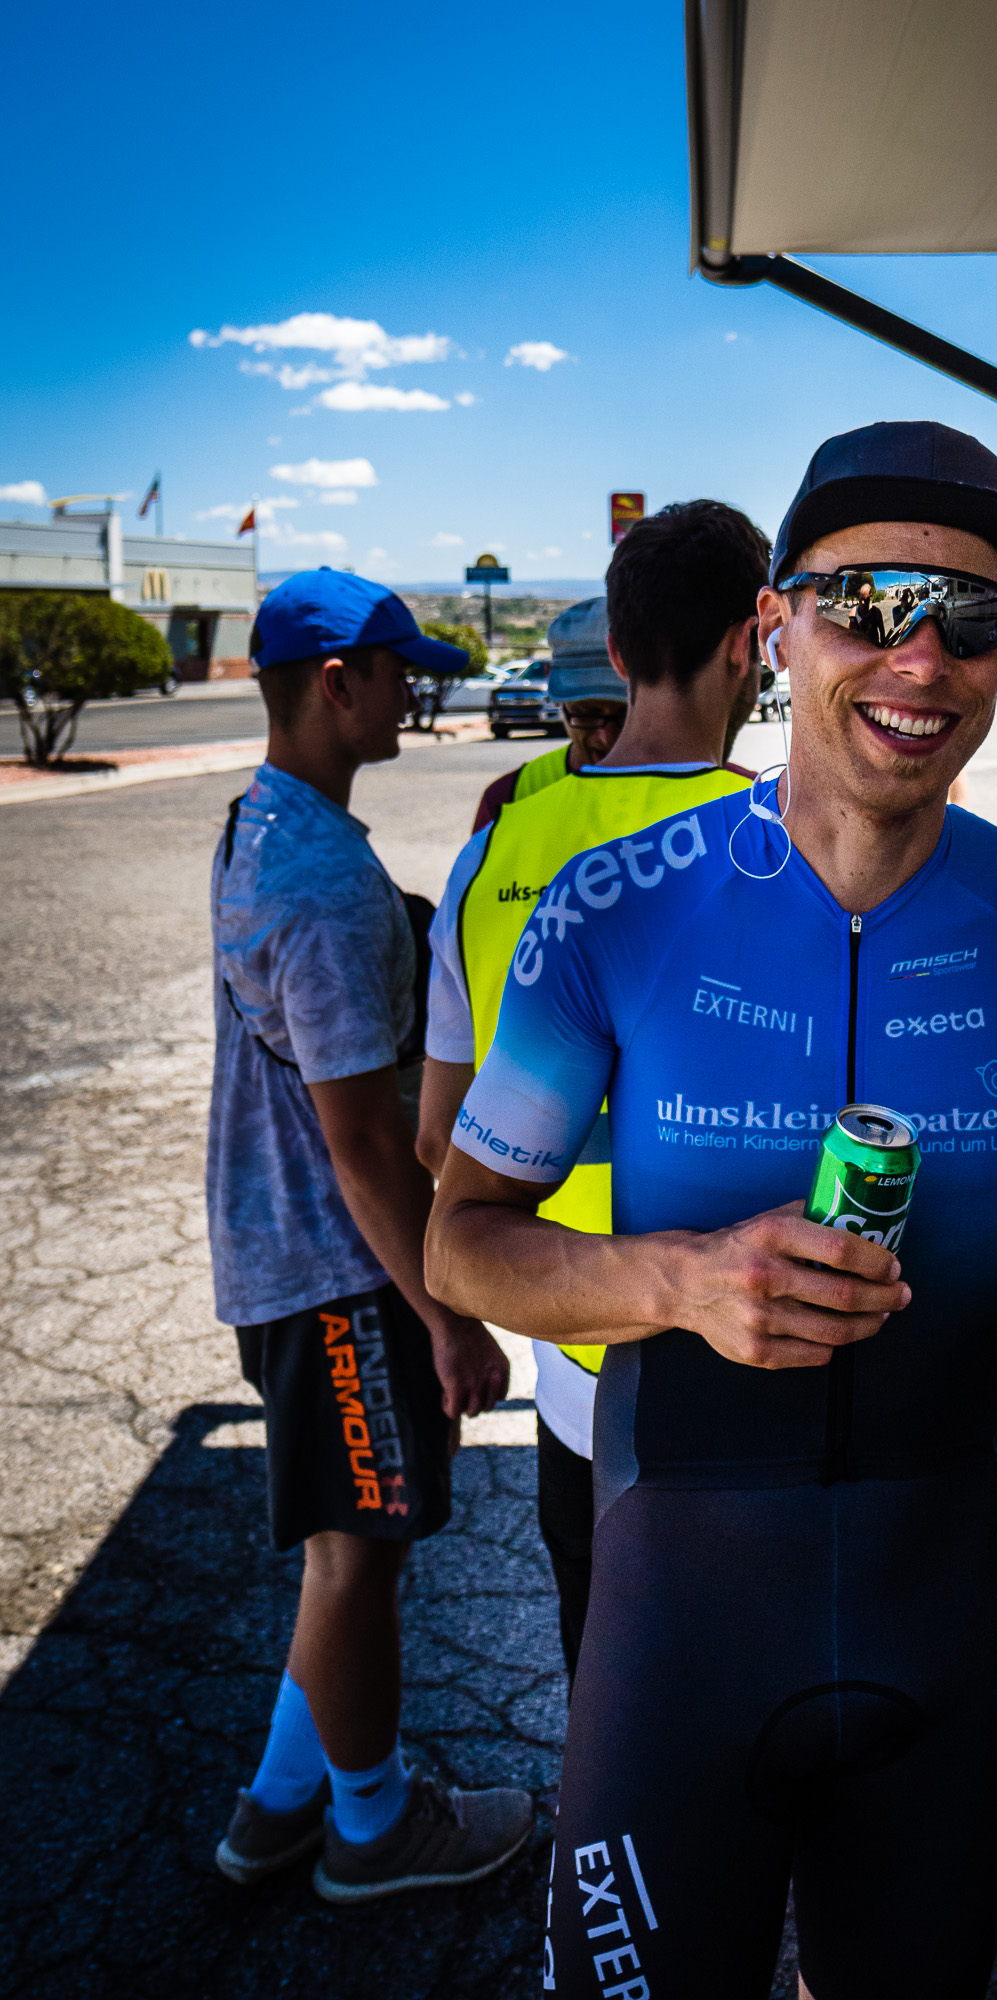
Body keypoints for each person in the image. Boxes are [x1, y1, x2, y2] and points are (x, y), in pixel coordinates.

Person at [425, 422, 997, 1998]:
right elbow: (461, 1236)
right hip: (679, 1633)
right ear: (775, 626)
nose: (923, 656)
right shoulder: (616, 909)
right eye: (871, 601)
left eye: (972, 618)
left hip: (940, 1632)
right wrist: (679, 1283)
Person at [206, 569, 532, 1902]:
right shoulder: (325, 885)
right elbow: (360, 1142)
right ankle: (375, 1826)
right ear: (339, 683)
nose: (418, 696)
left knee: (345, 1547)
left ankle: (281, 1803)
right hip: (341, 1268)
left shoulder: (262, 819)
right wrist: (451, 1313)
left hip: (287, 1251)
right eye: (402, 674)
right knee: (359, 1555)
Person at [416, 505, 769, 1683]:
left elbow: (437, 1135)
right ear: (751, 641)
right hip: (750, 1350)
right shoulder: (786, 839)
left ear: (614, 652)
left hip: (571, 1351)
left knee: (613, 1700)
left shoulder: (494, 848)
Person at [471, 631, 627, 832]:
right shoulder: (507, 798)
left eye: (626, 715)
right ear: (557, 697)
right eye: (586, 713)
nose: (606, 737)